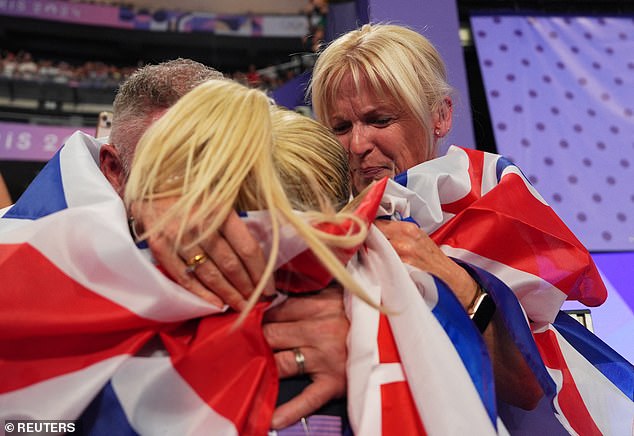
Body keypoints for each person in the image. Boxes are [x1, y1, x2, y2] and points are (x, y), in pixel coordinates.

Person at [309, 23, 632, 434]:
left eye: (380, 119)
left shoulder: (495, 199)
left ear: (440, 116)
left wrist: (452, 281)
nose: (357, 144)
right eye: (340, 127)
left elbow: (527, 388)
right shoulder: (323, 237)